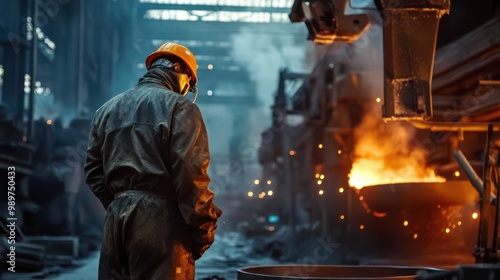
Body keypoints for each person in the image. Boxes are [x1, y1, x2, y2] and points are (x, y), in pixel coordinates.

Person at [84, 42, 222, 279]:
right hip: (162, 222)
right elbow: (191, 175)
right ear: (181, 72)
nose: (186, 90)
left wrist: (120, 204)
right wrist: (203, 228)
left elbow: (93, 172)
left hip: (115, 221)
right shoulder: (180, 108)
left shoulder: (106, 110)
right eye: (188, 84)